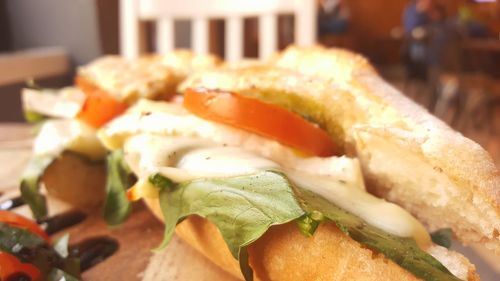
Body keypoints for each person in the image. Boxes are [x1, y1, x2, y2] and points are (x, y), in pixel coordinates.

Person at [402, 0, 434, 80]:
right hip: (414, 46)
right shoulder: (412, 11)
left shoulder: (425, 14)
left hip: (423, 44)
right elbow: (411, 30)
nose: (428, 4)